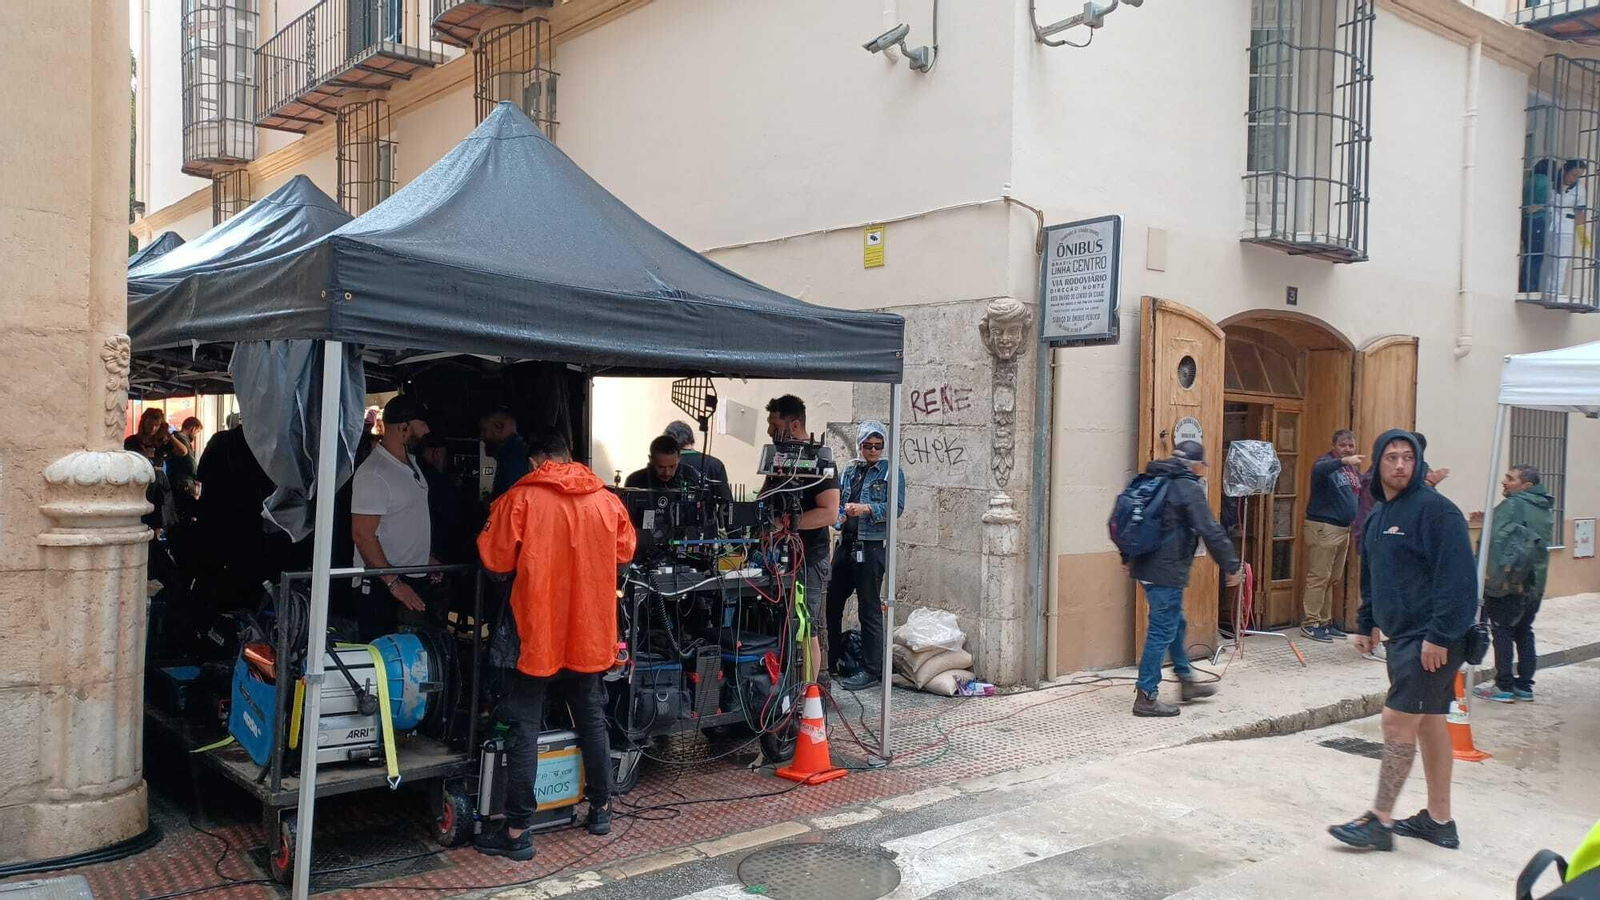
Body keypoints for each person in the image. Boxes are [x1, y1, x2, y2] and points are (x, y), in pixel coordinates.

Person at [475, 427, 636, 861]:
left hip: (536, 633)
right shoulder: (607, 500)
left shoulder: (520, 499)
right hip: (588, 631)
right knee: (591, 716)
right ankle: (601, 809)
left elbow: (494, 562)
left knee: (524, 725)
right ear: (570, 457)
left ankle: (516, 833)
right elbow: (625, 554)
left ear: (536, 462)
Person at [1330, 430, 1477, 852]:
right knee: (1429, 722)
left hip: (1431, 639)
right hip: (1402, 637)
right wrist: (1365, 622)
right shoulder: (1377, 515)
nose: (1399, 465)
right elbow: (1372, 575)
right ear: (1377, 464)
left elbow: (1459, 582)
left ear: (1418, 464)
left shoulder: (1437, 512)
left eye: (1407, 458)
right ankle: (1439, 821)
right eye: (1391, 457)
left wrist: (1441, 636)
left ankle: (1380, 820)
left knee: (1396, 720)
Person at [1121, 440, 1243, 718]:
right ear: (1196, 464)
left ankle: (1186, 681)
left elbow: (1131, 519)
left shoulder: (1153, 478)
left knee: (1176, 622)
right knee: (1162, 629)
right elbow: (1210, 529)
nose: (1204, 469)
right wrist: (1231, 565)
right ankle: (1147, 696)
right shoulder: (1186, 486)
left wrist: (1126, 558)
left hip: (1146, 568)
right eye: (1203, 464)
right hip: (1165, 571)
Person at [764, 395, 841, 683]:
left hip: (809, 557)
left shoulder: (821, 461)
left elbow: (830, 513)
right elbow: (765, 496)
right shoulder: (777, 457)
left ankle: (808, 695)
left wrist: (788, 525)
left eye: (774, 425)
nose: (770, 432)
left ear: (794, 425)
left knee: (807, 625)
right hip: (777, 557)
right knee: (780, 623)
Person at [351, 395, 441, 638]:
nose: (428, 431)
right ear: (404, 428)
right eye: (422, 425)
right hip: (384, 583)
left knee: (410, 656)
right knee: (383, 656)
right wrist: (394, 583)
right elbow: (362, 535)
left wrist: (425, 557)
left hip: (411, 575)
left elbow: (406, 518)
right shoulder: (374, 473)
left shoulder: (410, 462)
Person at [827, 421, 906, 691]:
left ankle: (872, 669)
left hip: (870, 546)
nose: (872, 450)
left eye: (877, 445)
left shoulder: (890, 472)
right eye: (868, 445)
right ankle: (832, 658)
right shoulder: (851, 470)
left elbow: (895, 507)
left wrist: (866, 509)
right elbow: (839, 500)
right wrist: (837, 518)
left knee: (869, 608)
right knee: (833, 601)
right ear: (860, 445)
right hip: (846, 543)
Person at [1473, 464, 1554, 704]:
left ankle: (1503, 686)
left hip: (1508, 582)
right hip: (1535, 582)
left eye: (1510, 479)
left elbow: (1496, 542)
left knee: (1502, 630)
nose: (1504, 482)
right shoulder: (1543, 507)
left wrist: (1483, 578)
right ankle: (1525, 686)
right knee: (1524, 631)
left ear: (1526, 486)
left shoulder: (1512, 504)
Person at [1301, 430, 1364, 643]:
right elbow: (1319, 470)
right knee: (1319, 577)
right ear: (1334, 445)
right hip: (1324, 527)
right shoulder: (1325, 463)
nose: (1348, 448)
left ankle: (1325, 623)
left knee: (1331, 579)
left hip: (1342, 529)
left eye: (1351, 445)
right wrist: (1344, 460)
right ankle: (1310, 624)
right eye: (1343, 445)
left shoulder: (1352, 469)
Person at [1541, 158, 1588, 299]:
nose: (1575, 178)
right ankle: (1542, 289)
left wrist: (1583, 237)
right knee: (1546, 258)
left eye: (1579, 176)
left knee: (1561, 260)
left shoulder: (1580, 190)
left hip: (1566, 226)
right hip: (1548, 223)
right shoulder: (1551, 184)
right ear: (1565, 170)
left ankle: (1555, 291)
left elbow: (1580, 213)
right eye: (1574, 174)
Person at [665, 420, 733, 503]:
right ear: (691, 438)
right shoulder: (715, 464)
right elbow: (728, 505)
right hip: (708, 515)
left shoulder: (663, 466)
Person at [480, 408, 530, 501]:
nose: (482, 437)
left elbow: (514, 501)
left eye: (484, 430)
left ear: (499, 427)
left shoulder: (514, 458)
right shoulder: (512, 454)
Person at [1521, 158, 1553, 292]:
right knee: (1536, 256)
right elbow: (1543, 202)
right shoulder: (1544, 181)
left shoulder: (1530, 180)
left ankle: (1526, 286)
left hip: (1527, 220)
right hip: (1538, 220)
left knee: (1529, 254)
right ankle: (1531, 287)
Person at [624, 434, 696, 492]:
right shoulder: (635, 481)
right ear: (651, 459)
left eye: (672, 466)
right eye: (661, 467)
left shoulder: (689, 476)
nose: (667, 473)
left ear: (679, 458)